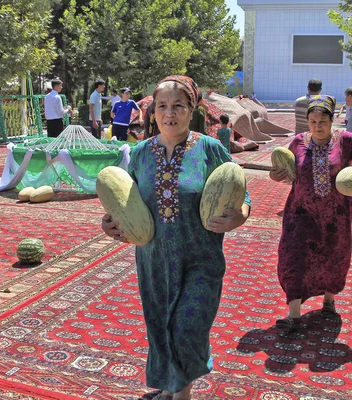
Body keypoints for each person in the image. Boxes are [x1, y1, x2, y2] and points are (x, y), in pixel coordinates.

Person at [102, 75, 251, 400]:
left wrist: (240, 214)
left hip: (201, 260)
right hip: (154, 262)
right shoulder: (139, 154)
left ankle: (181, 396)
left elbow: (242, 192)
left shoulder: (210, 149)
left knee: (187, 328)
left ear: (192, 109)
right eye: (163, 106)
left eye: (178, 106)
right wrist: (108, 225)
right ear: (153, 111)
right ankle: (171, 390)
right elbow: (118, 201)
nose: (170, 113)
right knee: (161, 330)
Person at [269, 94, 352, 330]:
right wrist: (275, 175)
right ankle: (294, 315)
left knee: (334, 259)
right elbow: (279, 170)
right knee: (293, 258)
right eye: (312, 122)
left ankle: (329, 302)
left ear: (332, 121)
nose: (317, 127)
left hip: (335, 218)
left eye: (322, 122)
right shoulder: (298, 143)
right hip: (299, 216)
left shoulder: (346, 141)